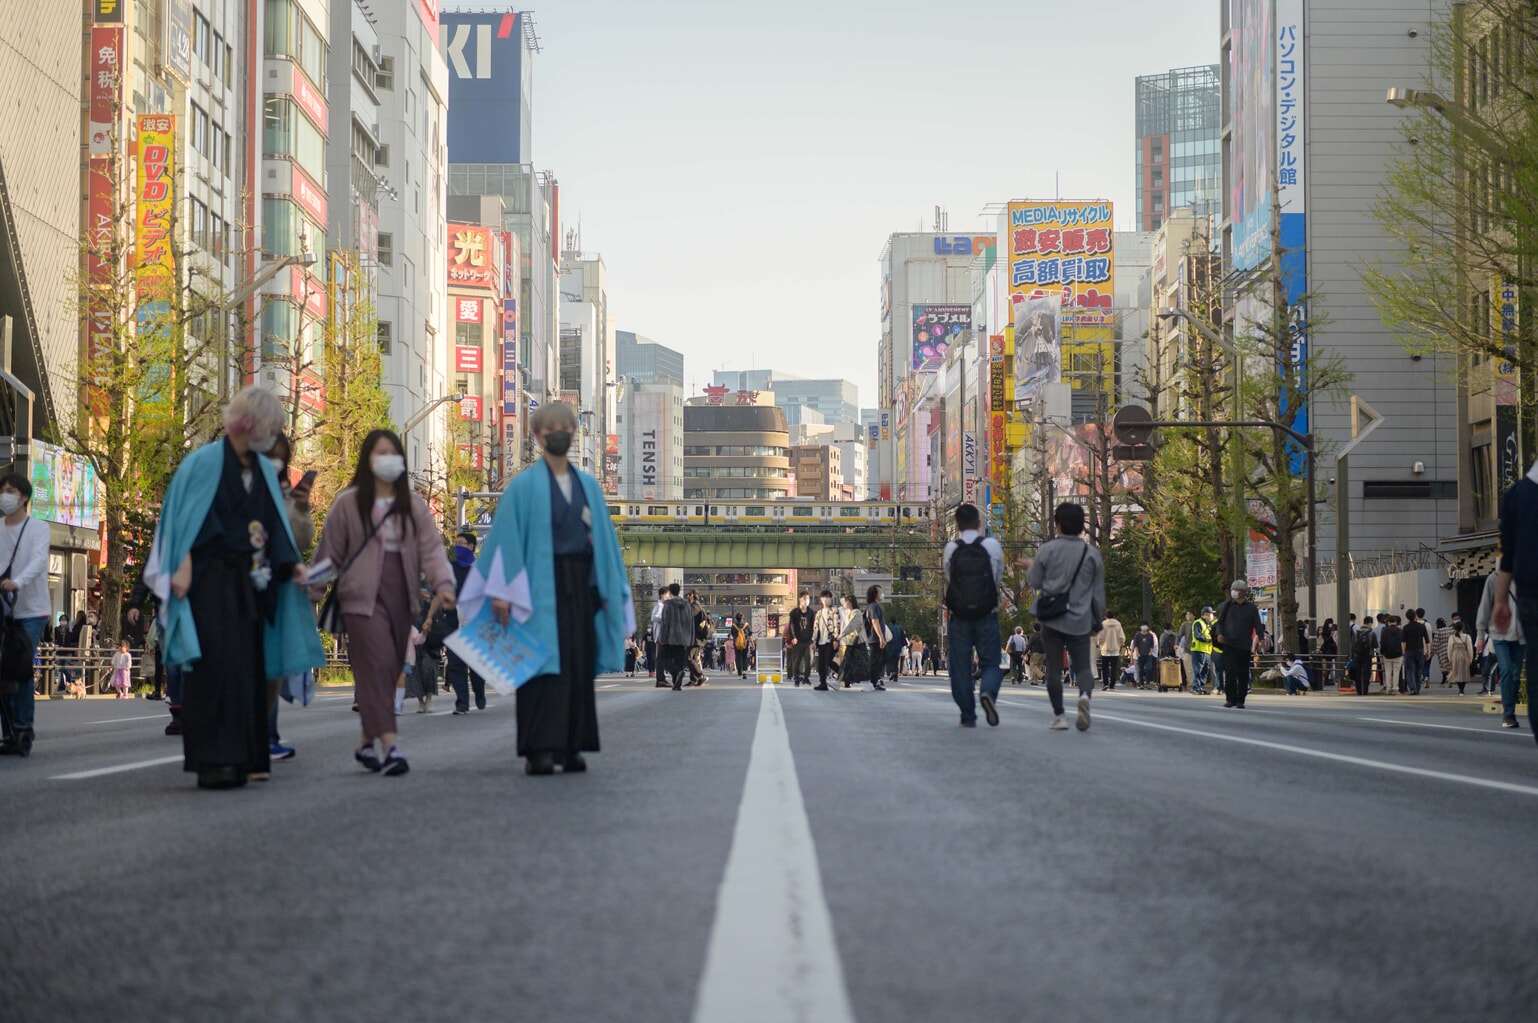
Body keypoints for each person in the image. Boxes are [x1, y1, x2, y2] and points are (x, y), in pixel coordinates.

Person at [144, 386, 325, 789]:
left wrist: (293, 563)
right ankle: (212, 761)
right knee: (212, 669)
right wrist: (182, 566)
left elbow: (275, 524)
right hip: (209, 579)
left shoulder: (262, 469)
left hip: (252, 583)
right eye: (271, 428)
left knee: (249, 670)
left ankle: (246, 756)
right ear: (251, 426)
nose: (273, 437)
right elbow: (183, 521)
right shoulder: (203, 463)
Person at [458, 402, 634, 774]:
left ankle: (570, 746)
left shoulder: (588, 485)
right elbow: (505, 541)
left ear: (574, 434)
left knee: (576, 665)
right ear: (537, 436)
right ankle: (538, 748)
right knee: (537, 666)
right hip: (535, 586)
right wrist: (502, 592)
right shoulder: (522, 486)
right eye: (549, 427)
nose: (558, 433)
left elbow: (603, 539)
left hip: (580, 584)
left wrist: (607, 587)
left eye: (565, 427)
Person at [310, 429, 456, 777]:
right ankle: (390, 746)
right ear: (367, 459)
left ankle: (365, 743)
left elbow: (431, 550)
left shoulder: (414, 505)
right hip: (360, 598)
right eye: (379, 452)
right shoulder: (348, 503)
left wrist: (444, 584)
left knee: (389, 671)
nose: (387, 459)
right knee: (374, 668)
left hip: (401, 596)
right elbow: (328, 555)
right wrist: (309, 596)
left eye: (393, 452)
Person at [1026, 502, 1105, 732]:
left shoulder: (1047, 550)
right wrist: (1096, 620)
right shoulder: (1091, 554)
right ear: (1083, 527)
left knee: (1053, 669)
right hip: (1081, 619)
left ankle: (1059, 715)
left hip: (1052, 617)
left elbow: (1035, 581)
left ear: (1057, 524)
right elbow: (1098, 593)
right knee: (1082, 668)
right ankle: (1084, 698)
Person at [263, 432, 314, 762]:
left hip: (278, 582)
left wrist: (300, 508)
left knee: (273, 663)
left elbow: (303, 540)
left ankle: (267, 733)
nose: (275, 461)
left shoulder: (285, 493)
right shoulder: (235, 481)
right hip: (242, 581)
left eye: (280, 456)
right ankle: (254, 733)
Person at [0, 473, 51, 757]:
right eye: (2, 490)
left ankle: (22, 726)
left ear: (23, 497)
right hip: (3, 609)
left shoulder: (38, 529)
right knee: (1, 668)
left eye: (10, 491)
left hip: (32, 610)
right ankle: (8, 730)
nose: (5, 496)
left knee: (18, 666)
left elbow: (38, 561)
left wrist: (17, 582)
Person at [942, 504, 1005, 725]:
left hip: (959, 617)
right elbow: (996, 578)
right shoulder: (992, 546)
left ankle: (967, 716)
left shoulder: (951, 548)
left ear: (957, 525)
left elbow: (950, 578)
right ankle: (988, 692)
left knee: (960, 667)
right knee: (991, 663)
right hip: (987, 613)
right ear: (980, 523)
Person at [441, 529, 489, 714]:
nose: (457, 547)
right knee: (455, 664)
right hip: (453, 621)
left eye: (461, 543)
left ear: (471, 547)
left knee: (475, 664)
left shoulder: (480, 569)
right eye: (456, 543)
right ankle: (462, 703)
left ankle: (479, 692)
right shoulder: (449, 568)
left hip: (475, 623)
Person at [1476, 566, 1524, 727]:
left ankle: (1510, 709)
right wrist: (1480, 635)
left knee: (1516, 675)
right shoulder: (1494, 579)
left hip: (1520, 634)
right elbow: (1484, 607)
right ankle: (1508, 714)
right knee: (1506, 669)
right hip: (1499, 633)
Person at [1212, 580, 1265, 709]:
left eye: (1236, 589)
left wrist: (1261, 639)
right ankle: (1230, 699)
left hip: (1244, 645)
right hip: (1229, 643)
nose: (1233, 592)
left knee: (1242, 673)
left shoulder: (1251, 608)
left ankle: (1241, 699)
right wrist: (1219, 634)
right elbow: (1220, 622)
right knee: (1230, 672)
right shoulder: (1227, 605)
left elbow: (1257, 624)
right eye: (1232, 588)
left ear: (1242, 592)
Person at [655, 583, 693, 691]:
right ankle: (677, 684)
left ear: (670, 592)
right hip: (683, 638)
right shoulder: (687, 605)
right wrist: (689, 638)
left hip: (670, 638)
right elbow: (690, 622)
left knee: (664, 658)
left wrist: (662, 638)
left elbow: (665, 622)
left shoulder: (668, 604)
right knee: (679, 660)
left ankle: (676, 673)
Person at [862, 585, 892, 692]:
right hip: (875, 638)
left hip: (873, 638)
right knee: (877, 660)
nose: (882, 594)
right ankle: (870, 682)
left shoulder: (871, 606)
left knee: (880, 659)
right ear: (875, 594)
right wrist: (881, 638)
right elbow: (875, 622)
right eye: (880, 592)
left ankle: (873, 682)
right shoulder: (874, 607)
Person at [812, 590, 840, 691]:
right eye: (824, 597)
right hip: (821, 641)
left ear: (831, 599)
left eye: (828, 597)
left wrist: (836, 639)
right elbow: (815, 628)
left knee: (828, 661)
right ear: (821, 599)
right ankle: (823, 683)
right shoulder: (819, 613)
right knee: (820, 664)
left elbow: (837, 625)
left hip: (830, 641)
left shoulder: (834, 610)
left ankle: (842, 673)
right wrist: (813, 642)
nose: (826, 599)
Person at [788, 591, 815, 686]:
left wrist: (813, 639)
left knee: (809, 660)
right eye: (804, 599)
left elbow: (813, 626)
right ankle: (796, 678)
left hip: (808, 641)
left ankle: (806, 677)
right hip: (797, 641)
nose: (806, 601)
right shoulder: (795, 612)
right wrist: (793, 637)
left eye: (808, 599)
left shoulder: (811, 612)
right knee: (797, 660)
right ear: (800, 599)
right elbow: (791, 626)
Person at [1189, 607, 1216, 695]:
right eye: (1210, 613)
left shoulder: (1208, 624)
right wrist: (1208, 640)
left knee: (1205, 671)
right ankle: (1196, 687)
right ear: (1205, 614)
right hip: (1198, 650)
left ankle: (1201, 687)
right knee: (1198, 670)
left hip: (1207, 651)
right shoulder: (1198, 623)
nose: (1212, 615)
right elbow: (1197, 635)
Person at [1096, 612, 1126, 691]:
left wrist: (1099, 644)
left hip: (1104, 650)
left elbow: (1099, 637)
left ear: (1105, 616)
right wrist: (1119, 644)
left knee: (1104, 668)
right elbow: (1122, 637)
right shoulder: (1118, 624)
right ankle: (1112, 685)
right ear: (1114, 616)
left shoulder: (1103, 624)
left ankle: (1105, 684)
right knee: (1114, 668)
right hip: (1115, 650)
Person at [1402, 609, 1429, 696]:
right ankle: (1417, 688)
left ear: (1407, 617)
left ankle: (1412, 688)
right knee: (1418, 670)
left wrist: (1403, 652)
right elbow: (1427, 640)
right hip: (1419, 650)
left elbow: (1403, 642)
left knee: (1410, 670)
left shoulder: (1405, 628)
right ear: (1415, 616)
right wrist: (1428, 651)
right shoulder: (1422, 626)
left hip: (1409, 651)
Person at [1444, 621, 1475, 695]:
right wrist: (1471, 658)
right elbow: (1470, 648)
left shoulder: (1452, 637)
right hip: (1464, 656)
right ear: (1463, 628)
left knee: (1457, 672)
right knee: (1464, 673)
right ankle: (1462, 689)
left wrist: (1449, 658)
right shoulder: (1467, 637)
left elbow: (1449, 649)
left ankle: (1460, 689)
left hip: (1455, 656)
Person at [687, 591, 710, 686]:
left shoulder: (694, 607)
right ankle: (694, 679)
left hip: (694, 637)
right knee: (694, 658)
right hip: (696, 637)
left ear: (692, 595)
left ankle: (700, 676)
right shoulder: (697, 606)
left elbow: (687, 618)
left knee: (688, 658)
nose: (687, 597)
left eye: (688, 595)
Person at [1378, 616, 1404, 695]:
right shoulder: (1400, 631)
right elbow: (1402, 642)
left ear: (1388, 622)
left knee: (1388, 671)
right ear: (1396, 622)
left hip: (1387, 654)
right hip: (1398, 654)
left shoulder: (1385, 631)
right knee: (1396, 671)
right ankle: (1395, 688)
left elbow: (1382, 642)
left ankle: (1388, 688)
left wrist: (1382, 652)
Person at [1131, 624, 1157, 689]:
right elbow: (1136, 645)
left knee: (1149, 668)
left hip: (1148, 654)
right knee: (1141, 669)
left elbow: (1152, 645)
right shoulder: (1137, 635)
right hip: (1140, 654)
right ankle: (1141, 683)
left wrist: (1150, 652)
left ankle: (1148, 682)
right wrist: (1137, 652)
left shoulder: (1150, 635)